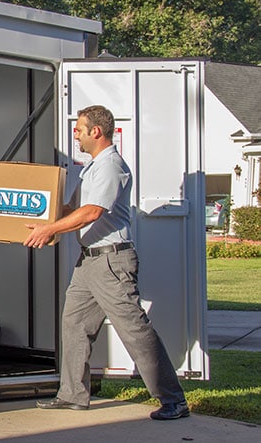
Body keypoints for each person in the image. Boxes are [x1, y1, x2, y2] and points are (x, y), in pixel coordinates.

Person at [24, 105, 189, 420]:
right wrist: (32, 209)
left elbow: (92, 212)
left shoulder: (111, 166)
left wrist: (50, 230)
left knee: (134, 329)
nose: (76, 134)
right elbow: (72, 206)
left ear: (95, 131)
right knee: (74, 325)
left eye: (79, 128)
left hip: (111, 261)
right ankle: (72, 395)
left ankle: (173, 399)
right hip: (89, 263)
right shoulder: (92, 167)